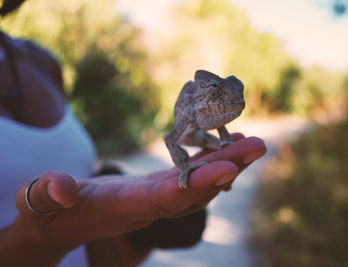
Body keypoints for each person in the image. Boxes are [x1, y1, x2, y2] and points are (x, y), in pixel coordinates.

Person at [0, 0, 267, 266]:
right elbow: (173, 138)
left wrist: (130, 234)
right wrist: (37, 241)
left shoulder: (41, 61)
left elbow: (90, 227)